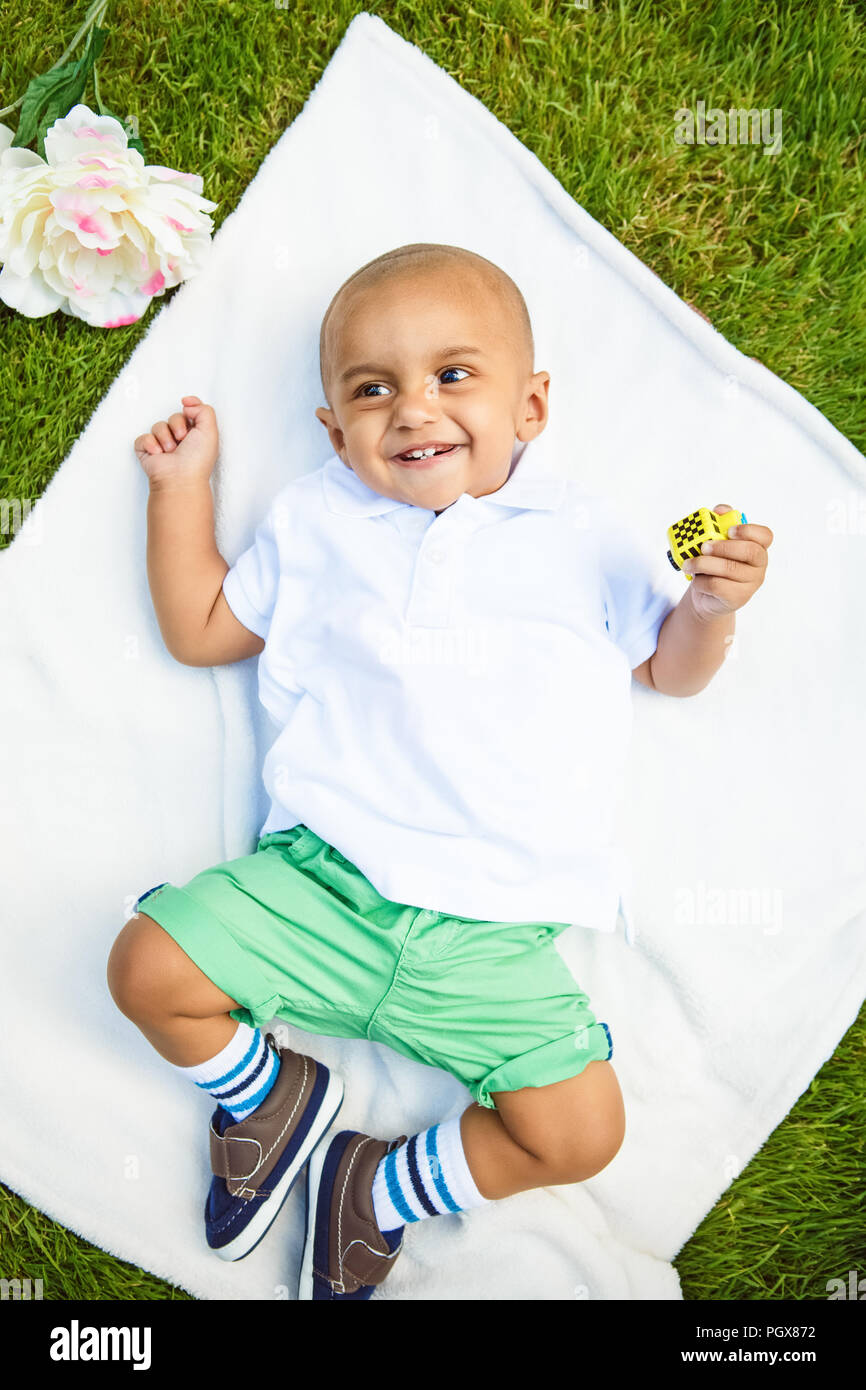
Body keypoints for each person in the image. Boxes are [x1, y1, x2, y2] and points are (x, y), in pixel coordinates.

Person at [106, 242, 773, 1300]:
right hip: (321, 884)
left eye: (452, 376)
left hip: (491, 940)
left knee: (579, 1133)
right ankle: (268, 1094)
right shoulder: (319, 519)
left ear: (531, 406)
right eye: (371, 391)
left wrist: (705, 608)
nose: (412, 409)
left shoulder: (581, 536)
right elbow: (199, 628)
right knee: (145, 969)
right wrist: (182, 488)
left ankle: (375, 1187)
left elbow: (668, 673)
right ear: (333, 431)